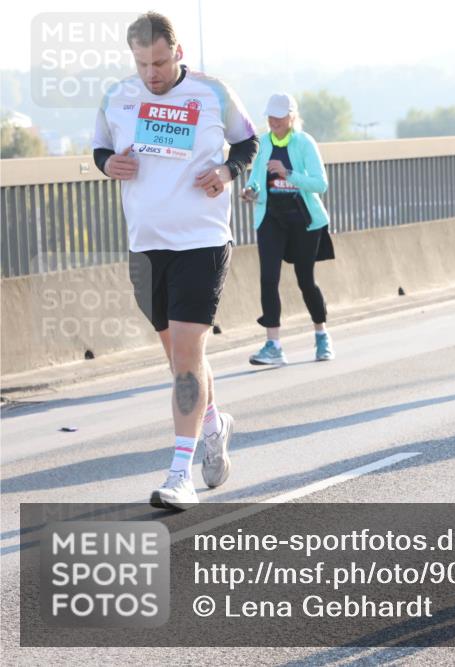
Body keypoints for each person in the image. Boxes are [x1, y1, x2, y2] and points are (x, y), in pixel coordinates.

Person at [93, 12, 258, 510]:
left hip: (201, 240)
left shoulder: (213, 93)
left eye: (160, 62)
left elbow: (248, 141)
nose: (152, 74)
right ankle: (214, 424)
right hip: (146, 244)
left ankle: (178, 475)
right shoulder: (116, 97)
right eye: (142, 63)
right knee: (179, 361)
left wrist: (228, 171)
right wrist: (108, 165)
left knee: (187, 356)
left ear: (178, 52)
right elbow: (101, 148)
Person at [241, 93, 335, 365]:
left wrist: (288, 173)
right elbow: (257, 178)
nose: (274, 122)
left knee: (306, 280)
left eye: (279, 117)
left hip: (303, 221)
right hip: (271, 218)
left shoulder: (305, 143)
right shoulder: (265, 142)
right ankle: (273, 345)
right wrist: (251, 190)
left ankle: (321, 334)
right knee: (268, 278)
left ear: (292, 117)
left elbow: (320, 184)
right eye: (270, 117)